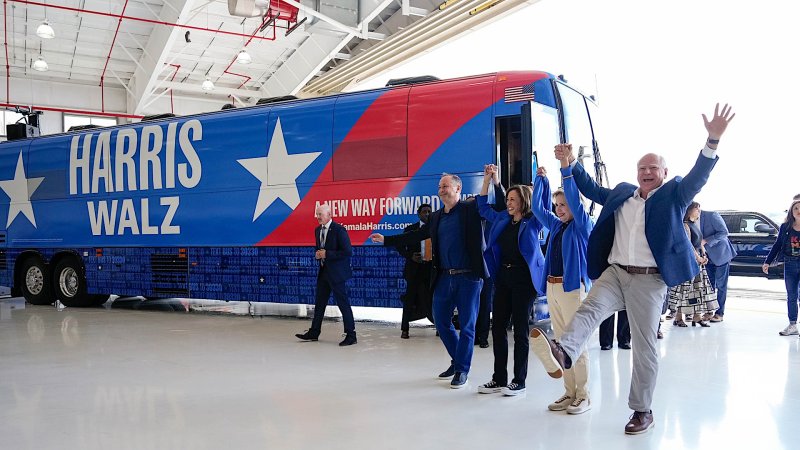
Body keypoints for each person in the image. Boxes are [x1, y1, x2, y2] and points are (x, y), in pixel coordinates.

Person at [529, 103, 735, 435]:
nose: (646, 172)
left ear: (664, 173)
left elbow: (698, 178)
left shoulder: (674, 194)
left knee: (644, 347)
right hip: (615, 272)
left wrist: (712, 141)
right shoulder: (623, 193)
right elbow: (592, 189)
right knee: (590, 307)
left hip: (650, 281)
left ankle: (642, 409)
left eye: (653, 167)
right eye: (642, 168)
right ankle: (564, 352)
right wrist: (567, 164)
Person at [370, 174, 488, 389]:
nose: (441, 189)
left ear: (458, 188)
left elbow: (486, 200)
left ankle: (462, 370)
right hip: (444, 276)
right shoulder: (435, 217)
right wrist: (387, 240)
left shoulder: (470, 210)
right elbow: (415, 236)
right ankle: (458, 360)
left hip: (468, 277)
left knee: (468, 326)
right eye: (439, 186)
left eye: (446, 186)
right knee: (440, 321)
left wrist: (489, 179)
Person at [531, 146, 594, 414]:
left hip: (572, 290)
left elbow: (575, 204)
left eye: (563, 204)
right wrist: (541, 180)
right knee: (561, 343)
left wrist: (564, 168)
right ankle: (569, 393)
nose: (558, 209)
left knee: (575, 342)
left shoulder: (582, 225)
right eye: (556, 205)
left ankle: (584, 394)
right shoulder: (556, 226)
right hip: (553, 288)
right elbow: (536, 207)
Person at [475, 164, 545, 396]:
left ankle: (519, 380)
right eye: (507, 199)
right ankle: (499, 378)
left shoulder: (532, 221)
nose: (508, 203)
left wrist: (541, 180)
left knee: (520, 331)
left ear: (523, 201)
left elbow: (541, 206)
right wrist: (488, 180)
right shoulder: (503, 218)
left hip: (524, 280)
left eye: (513, 199)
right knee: (498, 329)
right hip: (503, 277)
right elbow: (483, 207)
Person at [295, 204, 357, 346]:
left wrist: (327, 254)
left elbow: (347, 252)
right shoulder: (317, 230)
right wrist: (318, 254)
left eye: (320, 214)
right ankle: (314, 332)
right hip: (324, 273)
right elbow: (319, 248)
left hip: (337, 274)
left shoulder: (339, 230)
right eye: (317, 214)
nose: (317, 217)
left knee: (343, 304)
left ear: (329, 215)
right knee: (320, 304)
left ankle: (351, 335)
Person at [667, 202, 718, 327]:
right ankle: (678, 317)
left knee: (698, 290)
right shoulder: (685, 225)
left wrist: (704, 255)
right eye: (697, 209)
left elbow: (699, 242)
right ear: (690, 210)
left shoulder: (695, 224)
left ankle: (697, 317)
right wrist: (698, 257)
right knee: (685, 290)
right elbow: (688, 245)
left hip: (698, 262)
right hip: (688, 263)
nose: (699, 212)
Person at [396, 204, 433, 339]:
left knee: (432, 300)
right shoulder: (410, 229)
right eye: (424, 212)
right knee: (410, 299)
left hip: (430, 271)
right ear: (418, 214)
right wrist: (410, 255)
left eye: (429, 211)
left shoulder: (436, 228)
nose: (427, 214)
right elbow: (399, 245)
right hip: (414, 270)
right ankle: (405, 329)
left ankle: (439, 327)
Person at [763, 199, 800, 336]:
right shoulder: (785, 227)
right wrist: (768, 261)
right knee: (791, 295)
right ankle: (792, 325)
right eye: (796, 208)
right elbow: (777, 245)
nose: (798, 211)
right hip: (790, 263)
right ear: (791, 211)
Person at [700, 208, 737, 322]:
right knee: (709, 286)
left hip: (721, 254)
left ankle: (719, 313)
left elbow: (724, 232)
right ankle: (709, 311)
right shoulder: (688, 218)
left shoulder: (711, 215)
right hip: (705, 256)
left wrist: (706, 240)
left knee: (721, 285)